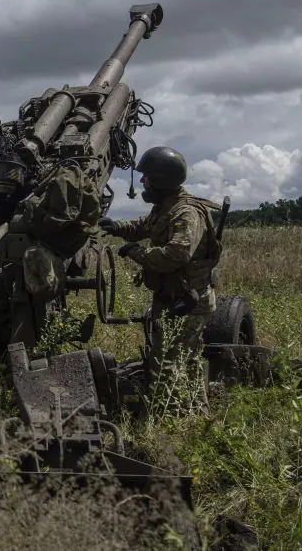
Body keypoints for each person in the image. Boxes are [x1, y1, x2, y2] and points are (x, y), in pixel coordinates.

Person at [99, 146, 221, 414]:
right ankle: (196, 412)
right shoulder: (165, 207)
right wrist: (116, 227)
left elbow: (176, 255)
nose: (142, 182)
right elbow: (143, 227)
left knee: (165, 361)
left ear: (161, 180)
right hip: (174, 298)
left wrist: (137, 252)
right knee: (185, 358)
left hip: (188, 302)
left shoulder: (186, 212)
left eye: (147, 177)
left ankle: (170, 416)